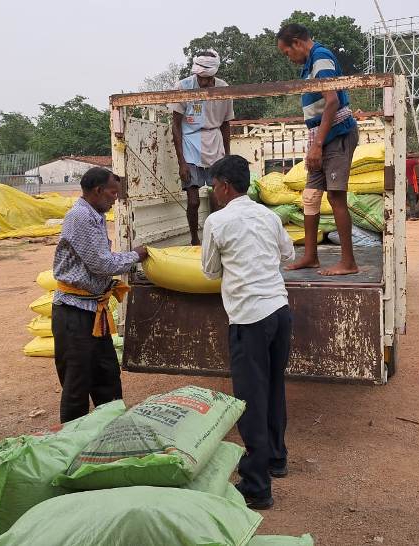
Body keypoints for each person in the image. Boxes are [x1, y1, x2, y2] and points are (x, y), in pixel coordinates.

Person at [201, 155, 295, 510]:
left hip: (249, 318)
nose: (213, 191)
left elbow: (210, 271)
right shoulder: (268, 215)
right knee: (274, 386)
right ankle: (276, 458)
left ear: (224, 186)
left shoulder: (217, 221)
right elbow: (287, 252)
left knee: (251, 398)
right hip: (279, 311)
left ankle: (257, 485)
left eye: (214, 185)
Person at [51, 168, 148, 423]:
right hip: (74, 313)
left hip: (93, 310)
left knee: (107, 375)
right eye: (112, 192)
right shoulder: (80, 217)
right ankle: (72, 443)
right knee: (77, 383)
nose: (116, 198)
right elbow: (102, 264)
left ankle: (111, 433)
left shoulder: (95, 214)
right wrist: (137, 255)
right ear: (97, 191)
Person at [277, 23, 359, 276]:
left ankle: (348, 262)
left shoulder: (321, 58)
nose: (288, 57)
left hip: (336, 134)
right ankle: (311, 256)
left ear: (297, 43)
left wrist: (317, 145)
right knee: (310, 197)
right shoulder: (309, 64)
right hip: (321, 135)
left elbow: (332, 101)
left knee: (335, 197)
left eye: (287, 52)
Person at [171, 49, 235, 245]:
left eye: (208, 79)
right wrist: (181, 161)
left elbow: (225, 124)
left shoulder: (224, 88)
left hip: (214, 142)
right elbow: (175, 125)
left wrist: (228, 156)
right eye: (201, 78)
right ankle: (194, 240)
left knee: (217, 200)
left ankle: (215, 239)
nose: (205, 82)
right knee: (193, 200)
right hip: (190, 143)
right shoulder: (183, 86)